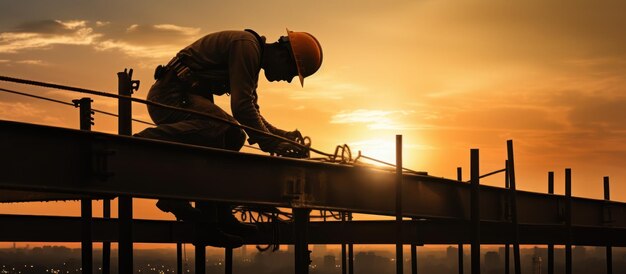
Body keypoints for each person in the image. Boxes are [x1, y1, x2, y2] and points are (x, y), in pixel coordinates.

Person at [133, 29, 323, 248]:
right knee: (221, 127)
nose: (288, 80)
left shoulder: (250, 55)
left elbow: (252, 112)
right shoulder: (246, 47)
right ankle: (143, 143)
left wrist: (281, 137)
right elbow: (242, 108)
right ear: (282, 54)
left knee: (232, 135)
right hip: (170, 97)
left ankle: (214, 220)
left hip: (184, 97)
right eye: (291, 72)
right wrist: (271, 143)